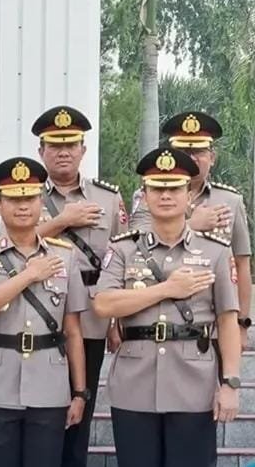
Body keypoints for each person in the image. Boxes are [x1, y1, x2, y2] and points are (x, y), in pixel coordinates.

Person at [93, 147, 241, 467]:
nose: (165, 196)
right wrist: (167, 289)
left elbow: (228, 320)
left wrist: (230, 382)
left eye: (174, 188)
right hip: (134, 384)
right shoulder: (123, 249)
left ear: (189, 196)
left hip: (194, 385)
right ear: (144, 196)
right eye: (157, 188)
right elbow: (103, 304)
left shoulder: (215, 251)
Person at [0, 157, 88, 467]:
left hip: (50, 383)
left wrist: (80, 392)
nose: (22, 206)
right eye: (13, 199)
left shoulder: (65, 256)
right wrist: (29, 275)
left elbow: (73, 330)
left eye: (30, 198)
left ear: (41, 202)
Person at [28, 105, 125, 467]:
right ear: (41, 151)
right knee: (41, 413)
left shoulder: (107, 198)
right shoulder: (25, 193)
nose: (63, 152)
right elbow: (8, 247)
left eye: (71, 144)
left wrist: (116, 322)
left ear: (83, 149)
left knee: (80, 409)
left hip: (90, 318)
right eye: (55, 145)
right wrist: (61, 221)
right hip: (37, 316)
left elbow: (122, 260)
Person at [131, 111, 253, 341]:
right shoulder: (148, 195)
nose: (192, 158)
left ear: (212, 157)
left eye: (199, 151)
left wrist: (243, 322)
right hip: (157, 311)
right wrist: (192, 225)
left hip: (215, 316)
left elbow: (242, 263)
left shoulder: (230, 200)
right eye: (184, 152)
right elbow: (134, 241)